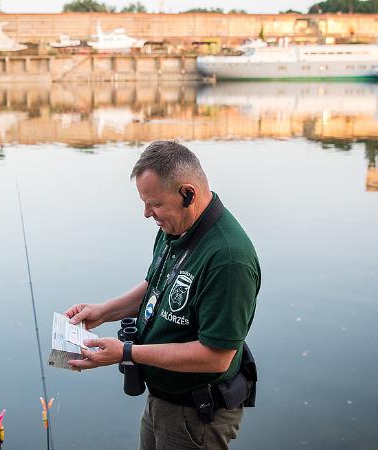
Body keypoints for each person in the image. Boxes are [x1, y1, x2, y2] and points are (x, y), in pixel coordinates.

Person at [66, 141, 261, 450]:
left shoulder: (228, 259)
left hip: (197, 416)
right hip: (162, 400)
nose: (146, 214)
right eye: (144, 202)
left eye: (154, 203)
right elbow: (156, 285)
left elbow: (216, 357)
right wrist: (104, 311)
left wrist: (127, 352)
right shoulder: (176, 226)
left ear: (188, 193)